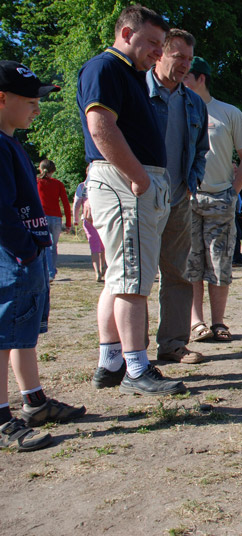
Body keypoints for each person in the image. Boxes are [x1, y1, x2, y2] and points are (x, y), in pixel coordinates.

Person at [77, 5, 187, 396]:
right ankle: (137, 369)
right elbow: (100, 125)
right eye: (153, 44)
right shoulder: (105, 68)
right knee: (133, 281)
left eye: (162, 46)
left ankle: (111, 363)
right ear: (126, 34)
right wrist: (138, 176)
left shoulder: (129, 75)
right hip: (126, 180)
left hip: (135, 181)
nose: (159, 53)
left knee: (120, 278)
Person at [0, 60, 85, 452]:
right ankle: (2, 419)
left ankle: (33, 401)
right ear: (1, 98)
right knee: (3, 337)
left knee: (23, 334)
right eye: (30, 99)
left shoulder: (12, 141)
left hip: (26, 259)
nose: (37, 106)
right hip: (12, 260)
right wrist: (26, 248)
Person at [146, 28, 209, 365]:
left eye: (189, 58)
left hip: (179, 199)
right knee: (136, 276)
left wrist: (190, 184)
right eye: (178, 56)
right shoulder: (138, 91)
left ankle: (172, 344)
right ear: (160, 54)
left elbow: (202, 150)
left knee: (178, 273)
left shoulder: (193, 102)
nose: (185, 64)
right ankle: (133, 353)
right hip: (140, 197)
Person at [184, 56, 242, 343]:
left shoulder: (228, 113)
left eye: (185, 75)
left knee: (219, 263)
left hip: (221, 200)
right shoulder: (177, 110)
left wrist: (233, 192)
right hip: (186, 200)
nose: (179, 79)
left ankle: (218, 322)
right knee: (191, 265)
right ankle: (195, 323)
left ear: (201, 78)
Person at [36, 159, 71, 281]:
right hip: (56, 218)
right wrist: (68, 223)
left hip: (41, 216)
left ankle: (48, 271)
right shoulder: (58, 184)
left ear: (40, 169)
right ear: (53, 171)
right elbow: (66, 204)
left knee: (43, 245)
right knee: (53, 245)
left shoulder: (36, 182)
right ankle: (51, 271)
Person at [73, 173, 106, 282]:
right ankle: (104, 266)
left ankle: (97, 272)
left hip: (88, 218)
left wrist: (75, 218)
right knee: (103, 244)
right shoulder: (103, 185)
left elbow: (77, 203)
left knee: (94, 245)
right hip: (102, 217)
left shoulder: (82, 186)